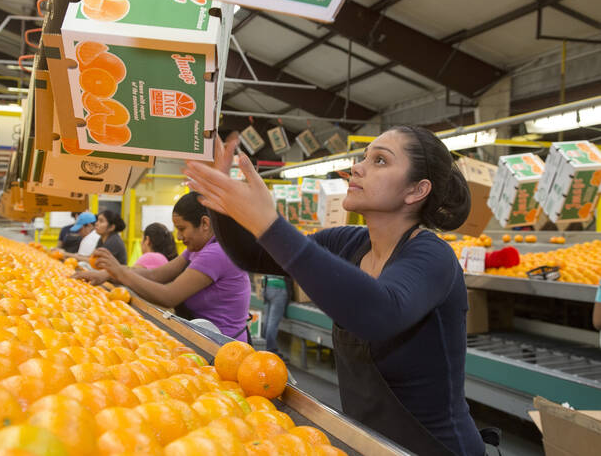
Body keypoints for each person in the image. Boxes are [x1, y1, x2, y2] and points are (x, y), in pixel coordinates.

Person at [183, 127, 486, 455]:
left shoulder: (432, 256)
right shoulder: (348, 242)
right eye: (364, 157)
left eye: (380, 160)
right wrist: (220, 202)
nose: (358, 166)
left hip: (435, 449)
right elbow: (254, 254)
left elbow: (379, 312)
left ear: (416, 190)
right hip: (370, 443)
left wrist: (269, 222)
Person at [74, 192, 252, 342]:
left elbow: (169, 296)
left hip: (222, 346)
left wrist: (120, 272)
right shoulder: (197, 249)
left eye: (182, 229)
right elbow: (155, 275)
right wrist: (109, 273)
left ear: (205, 224)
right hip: (203, 338)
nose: (179, 237)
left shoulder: (216, 253)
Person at [260, 274, 292, 357]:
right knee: (273, 322)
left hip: (266, 285)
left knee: (267, 319)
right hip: (278, 287)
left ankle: (263, 346)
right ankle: (270, 350)